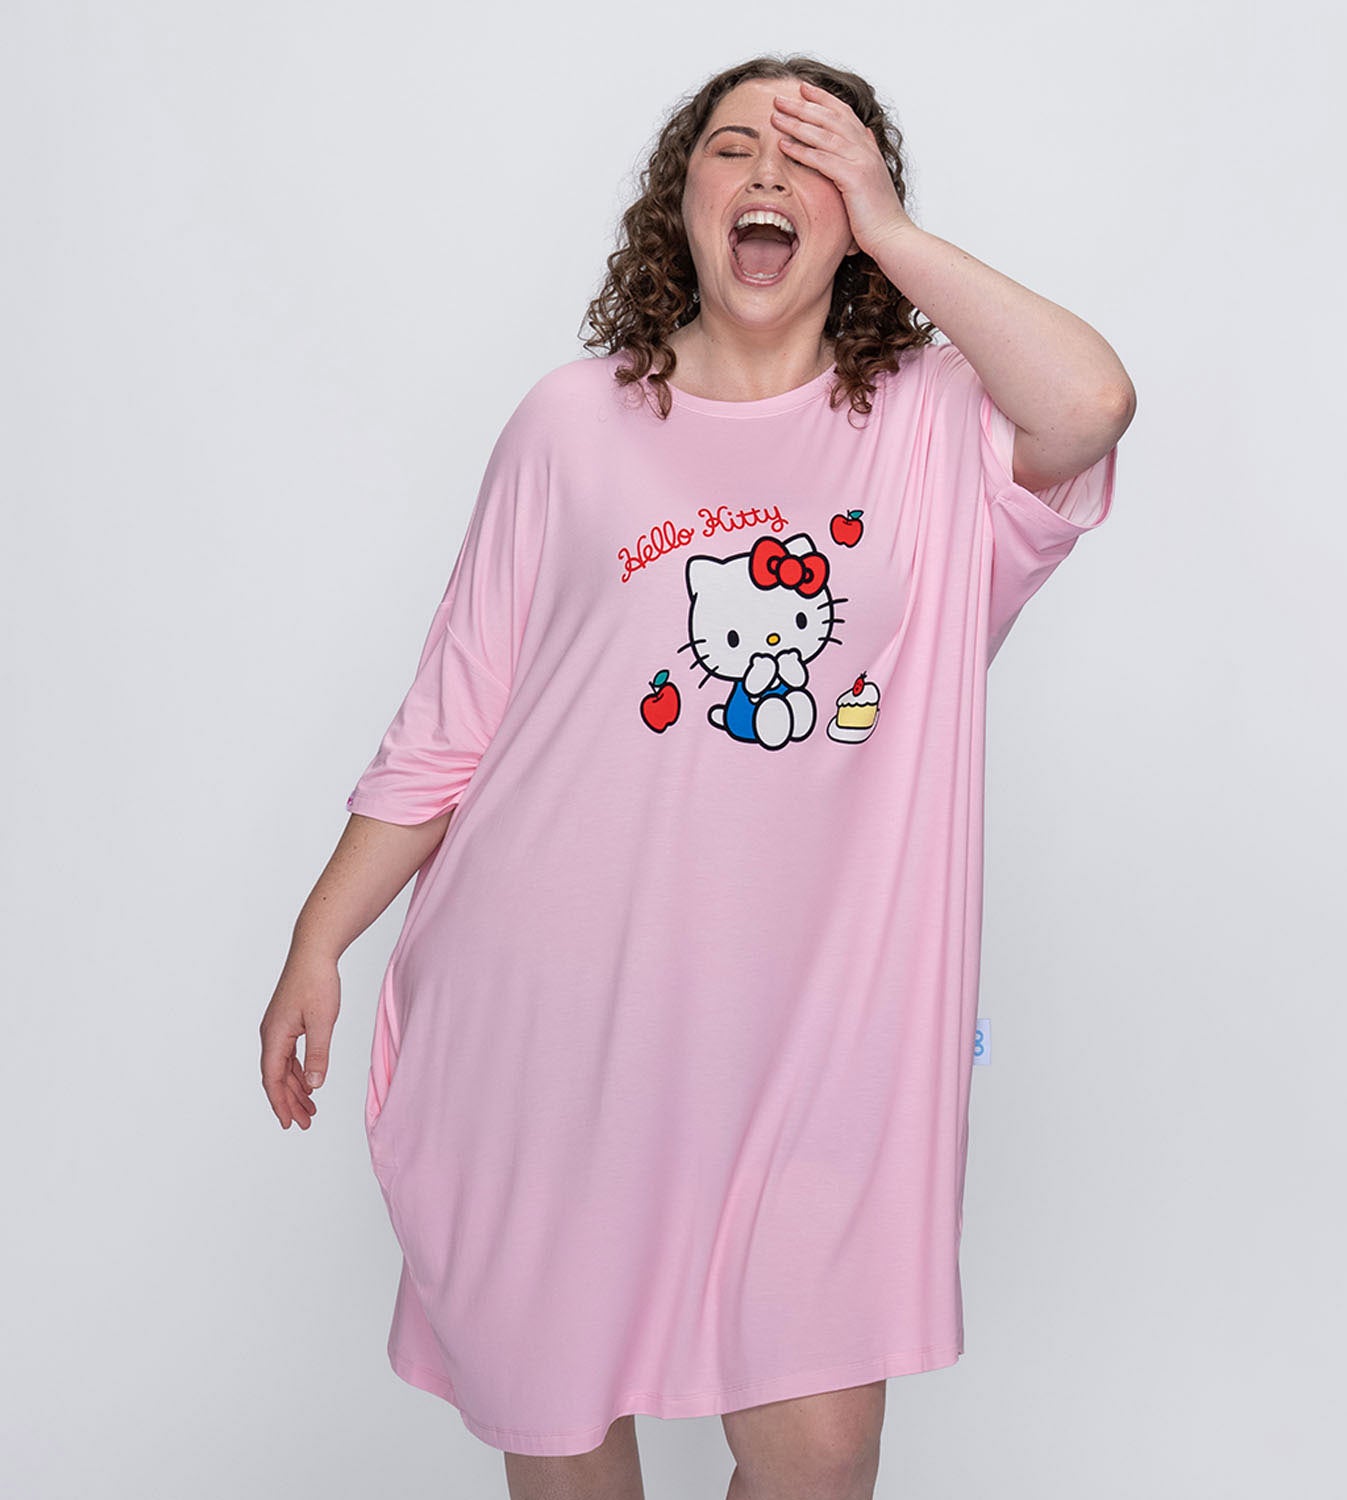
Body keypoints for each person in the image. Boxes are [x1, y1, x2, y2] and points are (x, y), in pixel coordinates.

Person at [260, 52, 1134, 1500]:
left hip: (816, 1049)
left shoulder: (935, 429)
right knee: (567, 1444)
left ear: (860, 210)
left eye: (818, 155)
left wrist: (894, 230)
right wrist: (318, 938)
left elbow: (1092, 402)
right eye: (734, 148)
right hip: (552, 1022)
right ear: (682, 196)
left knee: (819, 1459)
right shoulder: (570, 423)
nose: (770, 172)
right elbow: (450, 719)